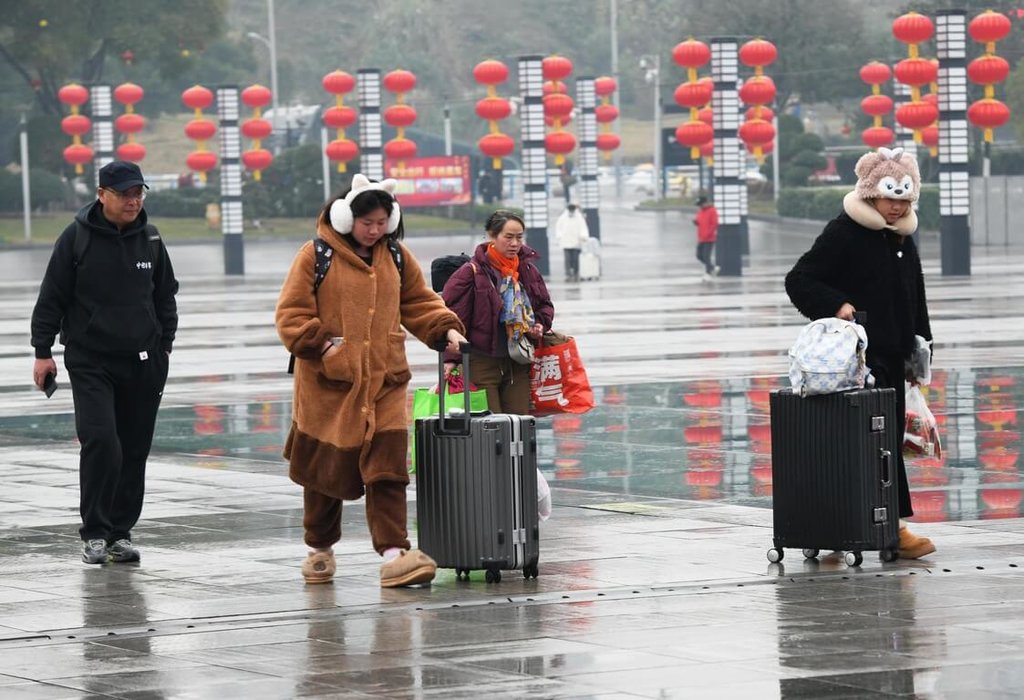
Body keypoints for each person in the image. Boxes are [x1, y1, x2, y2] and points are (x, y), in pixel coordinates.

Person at [275, 174, 468, 587]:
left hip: (385, 380)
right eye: (368, 223)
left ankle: (395, 553)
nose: (376, 230)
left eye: (383, 221)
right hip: (329, 386)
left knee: (389, 469)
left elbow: (418, 301)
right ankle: (319, 550)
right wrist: (325, 348)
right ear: (347, 218)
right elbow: (290, 315)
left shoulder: (396, 256)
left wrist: (444, 328)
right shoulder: (315, 254)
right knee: (323, 474)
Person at [785, 146, 935, 560]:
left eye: (904, 200)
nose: (896, 207)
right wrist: (837, 305)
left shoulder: (901, 237)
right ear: (870, 193)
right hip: (856, 363)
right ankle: (868, 527)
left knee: (884, 443)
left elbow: (914, 294)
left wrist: (921, 344)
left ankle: (886, 525)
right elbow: (799, 279)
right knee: (857, 445)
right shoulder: (845, 232)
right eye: (890, 199)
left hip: (895, 359)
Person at [30, 160, 178, 565]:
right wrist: (42, 352)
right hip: (90, 359)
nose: (134, 201)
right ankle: (94, 533)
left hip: (144, 361)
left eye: (139, 193)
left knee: (133, 449)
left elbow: (165, 295)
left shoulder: (150, 237)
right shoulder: (76, 238)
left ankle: (119, 534)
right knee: (101, 442)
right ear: (101, 195)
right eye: (125, 194)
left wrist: (165, 346)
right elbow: (52, 298)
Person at [441, 210, 554, 414]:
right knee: (490, 427)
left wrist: (540, 324)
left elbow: (544, 305)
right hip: (482, 361)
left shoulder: (527, 270)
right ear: (492, 236)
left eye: (519, 237)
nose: (514, 243)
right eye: (508, 237)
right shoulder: (472, 272)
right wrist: (451, 358)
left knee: (519, 426)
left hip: (517, 360)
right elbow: (452, 318)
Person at [555, 203, 590, 282]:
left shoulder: (579, 218)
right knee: (567, 259)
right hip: (566, 241)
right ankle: (568, 273)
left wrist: (584, 236)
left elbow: (583, 228)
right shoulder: (563, 218)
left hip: (576, 242)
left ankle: (575, 272)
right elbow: (558, 227)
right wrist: (559, 236)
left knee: (575, 259)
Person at [693, 195, 719, 281]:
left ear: (705, 203)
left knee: (706, 256)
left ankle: (708, 273)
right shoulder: (700, 211)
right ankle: (712, 268)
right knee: (699, 255)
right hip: (701, 237)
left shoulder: (712, 211)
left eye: (700, 204)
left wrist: (708, 233)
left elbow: (714, 224)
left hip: (709, 238)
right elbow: (699, 221)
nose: (699, 206)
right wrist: (696, 222)